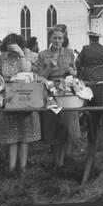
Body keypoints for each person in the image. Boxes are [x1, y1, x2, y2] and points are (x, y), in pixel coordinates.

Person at [36, 26, 81, 168]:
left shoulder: (69, 53)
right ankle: (56, 161)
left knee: (66, 125)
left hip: (66, 91)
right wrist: (49, 66)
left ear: (64, 39)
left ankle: (63, 160)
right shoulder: (43, 55)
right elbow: (39, 77)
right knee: (53, 125)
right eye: (54, 37)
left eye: (60, 38)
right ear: (50, 38)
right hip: (51, 92)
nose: (57, 40)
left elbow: (75, 71)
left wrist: (72, 71)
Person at [0, 33, 41, 173]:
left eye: (14, 48)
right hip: (9, 96)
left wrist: (21, 54)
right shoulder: (2, 59)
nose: (11, 52)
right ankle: (11, 167)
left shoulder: (24, 58)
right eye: (9, 48)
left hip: (24, 96)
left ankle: (22, 167)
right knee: (12, 136)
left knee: (25, 135)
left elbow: (27, 70)